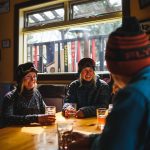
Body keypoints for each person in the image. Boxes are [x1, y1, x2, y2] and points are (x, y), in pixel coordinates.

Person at [68, 17, 150, 150]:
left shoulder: (132, 94)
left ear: (118, 68)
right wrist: (91, 139)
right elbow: (126, 136)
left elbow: (113, 147)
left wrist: (89, 145)